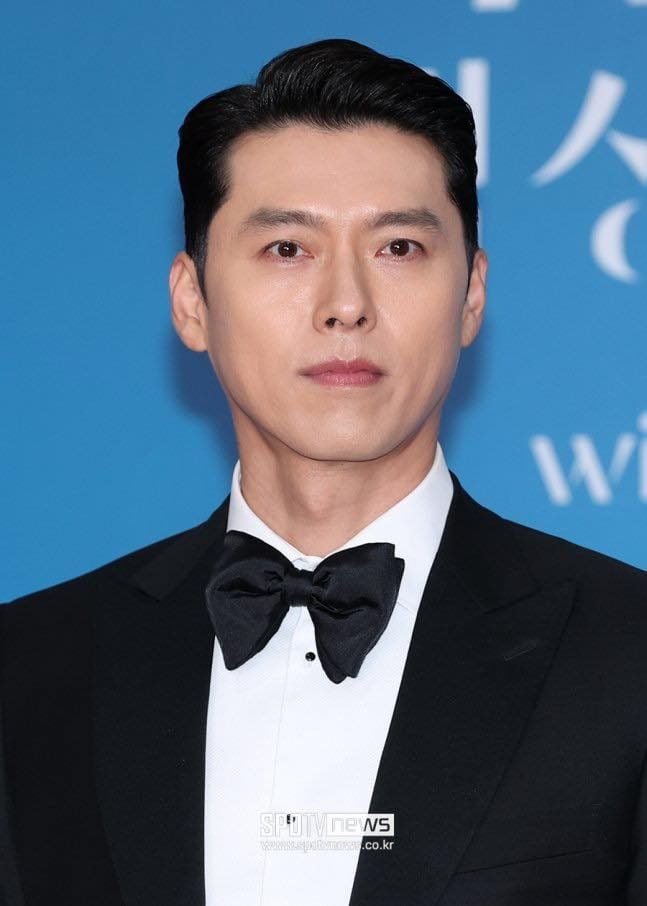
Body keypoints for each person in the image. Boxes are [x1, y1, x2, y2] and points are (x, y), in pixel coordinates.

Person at [1, 36, 646, 906]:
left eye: (399, 248)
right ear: (192, 301)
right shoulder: (31, 666)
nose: (346, 304)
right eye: (286, 249)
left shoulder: (625, 654)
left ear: (471, 295)